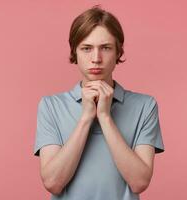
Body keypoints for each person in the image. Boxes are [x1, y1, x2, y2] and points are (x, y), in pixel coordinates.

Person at [33, 5, 165, 200]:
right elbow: (53, 182)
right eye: (86, 48)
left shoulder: (145, 106)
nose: (96, 58)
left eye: (105, 48)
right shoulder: (51, 106)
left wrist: (104, 116)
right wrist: (86, 118)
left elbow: (139, 182)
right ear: (75, 52)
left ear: (118, 52)